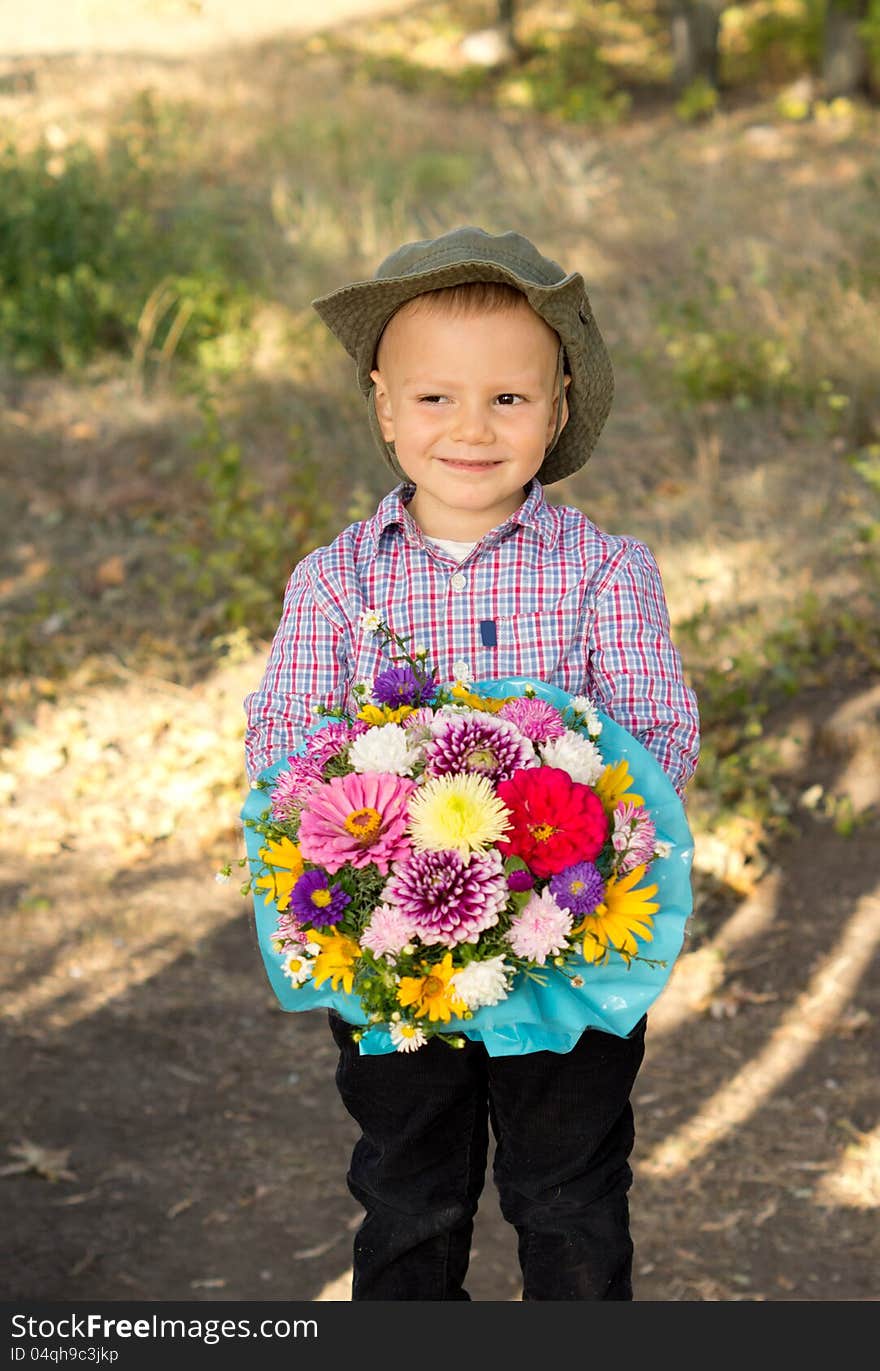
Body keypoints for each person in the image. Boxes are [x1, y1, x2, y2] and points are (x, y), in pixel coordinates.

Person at [243, 226, 700, 1301]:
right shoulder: (335, 582)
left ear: (557, 406)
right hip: (392, 954)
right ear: (384, 406)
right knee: (408, 1196)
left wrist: (577, 819)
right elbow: (283, 744)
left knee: (570, 1197)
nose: (472, 428)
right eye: (436, 397)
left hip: (569, 945)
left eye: (508, 399)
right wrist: (352, 842)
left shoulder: (603, 573)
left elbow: (657, 735)